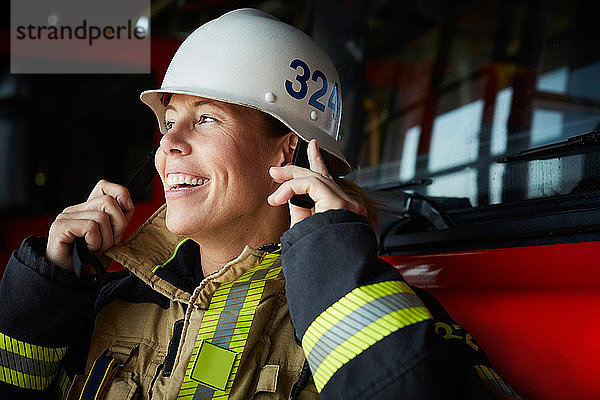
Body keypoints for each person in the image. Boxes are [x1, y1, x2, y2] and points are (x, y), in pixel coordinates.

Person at [0, 8, 520, 400]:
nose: (169, 143)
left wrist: (334, 271)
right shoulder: (110, 297)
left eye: (205, 118)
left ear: (287, 148)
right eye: (168, 120)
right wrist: (42, 296)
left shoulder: (372, 311)